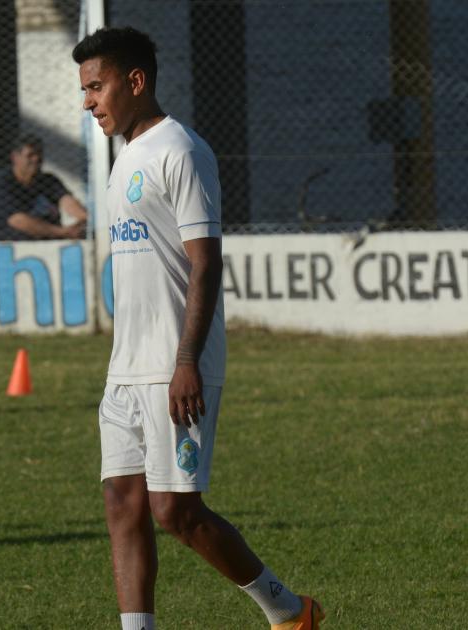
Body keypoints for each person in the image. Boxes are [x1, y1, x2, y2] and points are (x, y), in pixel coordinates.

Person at [74, 27, 323, 629]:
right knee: (120, 502)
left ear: (136, 81)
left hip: (175, 363)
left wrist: (187, 360)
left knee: (175, 511)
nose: (87, 102)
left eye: (96, 86)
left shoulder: (181, 151)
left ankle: (289, 611)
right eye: (83, 90)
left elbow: (204, 261)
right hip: (125, 366)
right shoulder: (123, 158)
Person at [0, 134, 88, 240]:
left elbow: (68, 202)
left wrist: (84, 220)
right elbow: (17, 220)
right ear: (15, 157)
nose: (36, 159)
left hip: (51, 243)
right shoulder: (3, 183)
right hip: (15, 249)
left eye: (39, 154)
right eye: (30, 155)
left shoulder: (48, 181)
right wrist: (63, 233)